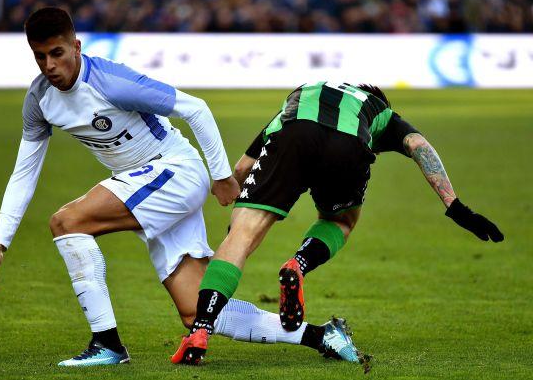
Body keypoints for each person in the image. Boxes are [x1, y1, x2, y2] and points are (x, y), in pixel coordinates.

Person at [0, 8, 359, 367]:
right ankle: (323, 336)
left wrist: (223, 176)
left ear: (76, 46)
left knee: (67, 222)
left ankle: (106, 343)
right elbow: (24, 171)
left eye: (57, 53)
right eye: (39, 57)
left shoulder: (111, 82)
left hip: (173, 171)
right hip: (146, 185)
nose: (49, 66)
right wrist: (0, 242)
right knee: (196, 311)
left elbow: (196, 108)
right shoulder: (40, 99)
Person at [172, 81, 504, 364]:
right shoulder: (380, 111)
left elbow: (242, 168)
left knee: (241, 236)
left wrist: (234, 208)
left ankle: (201, 328)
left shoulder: (303, 93)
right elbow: (419, 147)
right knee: (342, 219)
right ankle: (298, 265)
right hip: (347, 146)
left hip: (293, 133)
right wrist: (455, 205)